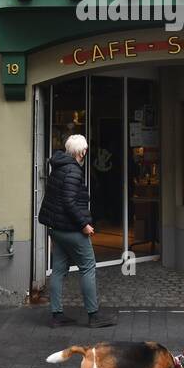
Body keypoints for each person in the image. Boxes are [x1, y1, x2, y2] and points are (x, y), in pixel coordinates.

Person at [39, 134, 116, 329]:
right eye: (85, 150)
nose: (86, 152)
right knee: (88, 267)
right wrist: (84, 225)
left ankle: (56, 315)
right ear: (81, 152)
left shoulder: (58, 168)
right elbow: (69, 202)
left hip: (56, 228)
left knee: (58, 270)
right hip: (72, 230)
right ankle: (93, 315)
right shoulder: (73, 170)